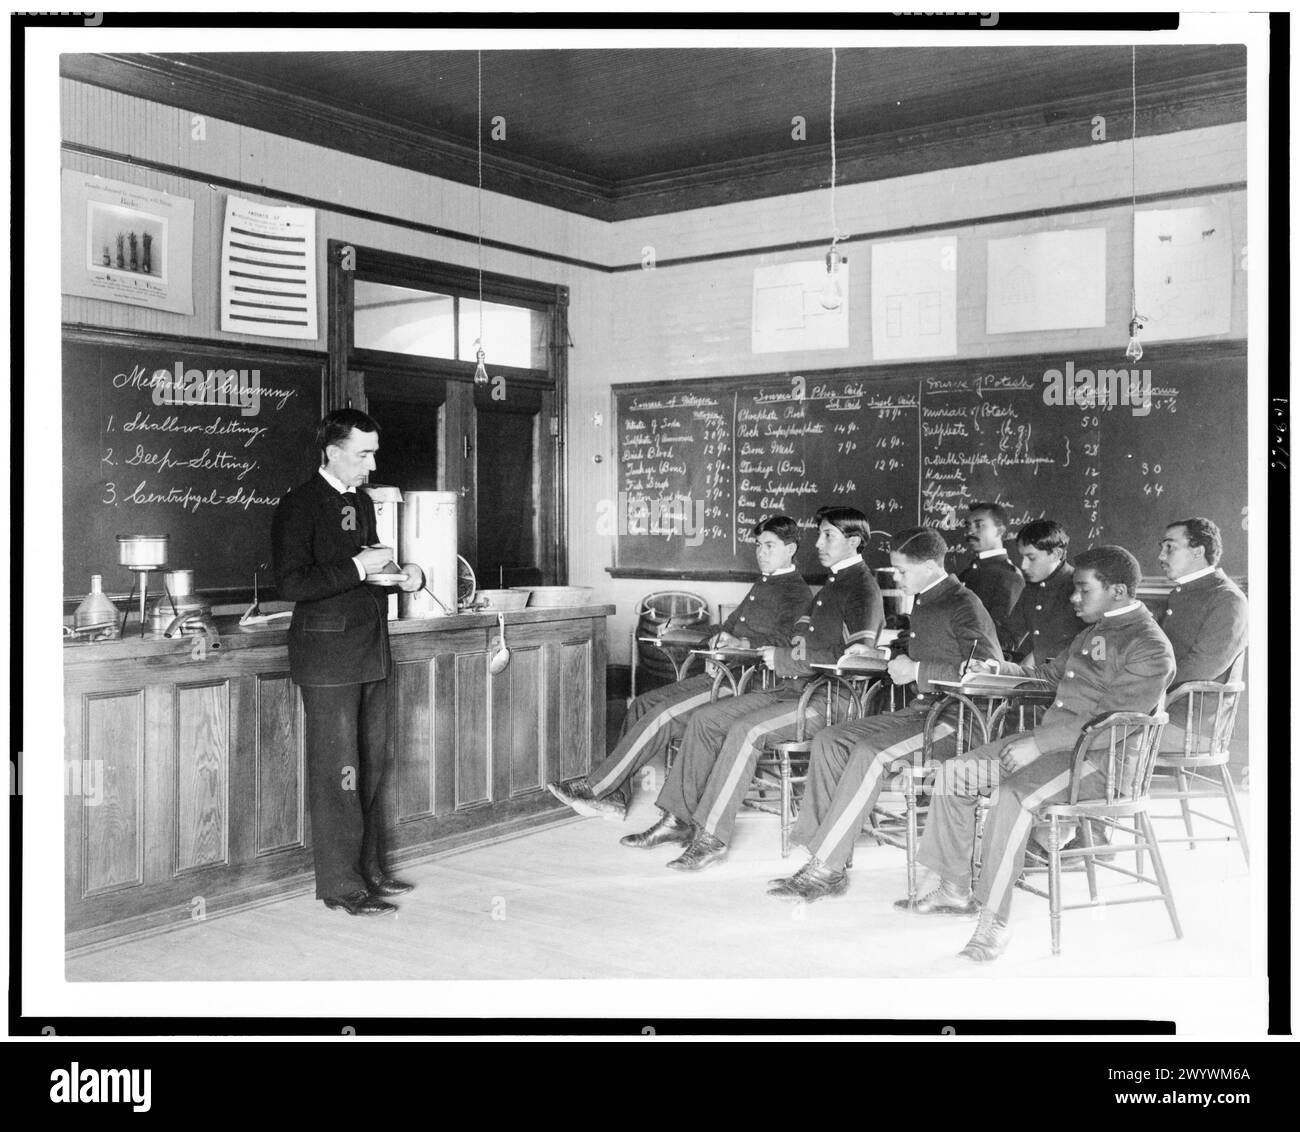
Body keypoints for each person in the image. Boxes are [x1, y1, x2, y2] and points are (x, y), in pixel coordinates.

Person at [903, 545, 1176, 962]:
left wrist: (1038, 744)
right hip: (1057, 748)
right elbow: (1048, 674)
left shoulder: (1149, 645)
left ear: (1118, 590)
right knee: (955, 773)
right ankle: (956, 889)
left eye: (1084, 589)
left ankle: (994, 920)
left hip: (1100, 763)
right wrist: (999, 670)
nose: (1073, 597)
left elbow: (1113, 722)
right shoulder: (1093, 630)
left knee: (1013, 796)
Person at [621, 506, 884, 869]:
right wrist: (771, 650)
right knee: (707, 719)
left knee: (746, 731)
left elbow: (858, 659)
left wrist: (786, 658)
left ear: (853, 542)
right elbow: (801, 638)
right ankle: (677, 819)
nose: (818, 543)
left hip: (828, 700)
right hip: (791, 689)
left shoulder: (862, 588)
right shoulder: (834, 582)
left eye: (828, 536)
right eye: (820, 534)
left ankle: (711, 838)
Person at [767, 526, 1002, 902]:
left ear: (928, 566)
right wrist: (883, 657)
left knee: (870, 754)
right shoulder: (924, 598)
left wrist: (919, 671)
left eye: (903, 571)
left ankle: (826, 866)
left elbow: (988, 668)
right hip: (923, 711)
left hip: (956, 721)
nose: (897, 578)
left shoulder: (962, 601)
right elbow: (919, 651)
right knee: (829, 739)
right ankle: (824, 855)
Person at [547, 515, 811, 820]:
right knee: (642, 704)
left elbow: (784, 642)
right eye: (757, 545)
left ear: (790, 549)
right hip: (721, 675)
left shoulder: (797, 592)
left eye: (769, 546)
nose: (761, 552)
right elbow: (726, 628)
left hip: (746, 684)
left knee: (663, 715)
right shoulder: (764, 583)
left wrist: (742, 644)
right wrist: (682, 632)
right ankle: (617, 798)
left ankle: (596, 787)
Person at [271, 409, 422, 917]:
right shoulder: (299, 504)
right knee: (340, 770)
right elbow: (293, 584)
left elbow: (362, 566)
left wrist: (398, 575)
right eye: (364, 454)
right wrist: (359, 567)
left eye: (374, 452)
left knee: (373, 762)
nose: (372, 464)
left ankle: (369, 869)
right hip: (328, 655)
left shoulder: (358, 500)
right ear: (333, 451)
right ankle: (340, 884)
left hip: (368, 647)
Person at [1156, 517, 1249, 751]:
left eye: (1170, 548)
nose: (1160, 556)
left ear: (1197, 552)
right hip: (1165, 710)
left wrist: (1142, 690)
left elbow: (1201, 667)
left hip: (1189, 724)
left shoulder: (1228, 599)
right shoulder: (1182, 593)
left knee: (1092, 737)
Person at [958, 502, 1025, 627]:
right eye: (968, 526)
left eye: (979, 525)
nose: (970, 532)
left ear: (1000, 531)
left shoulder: (1009, 576)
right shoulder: (969, 571)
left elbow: (1000, 634)